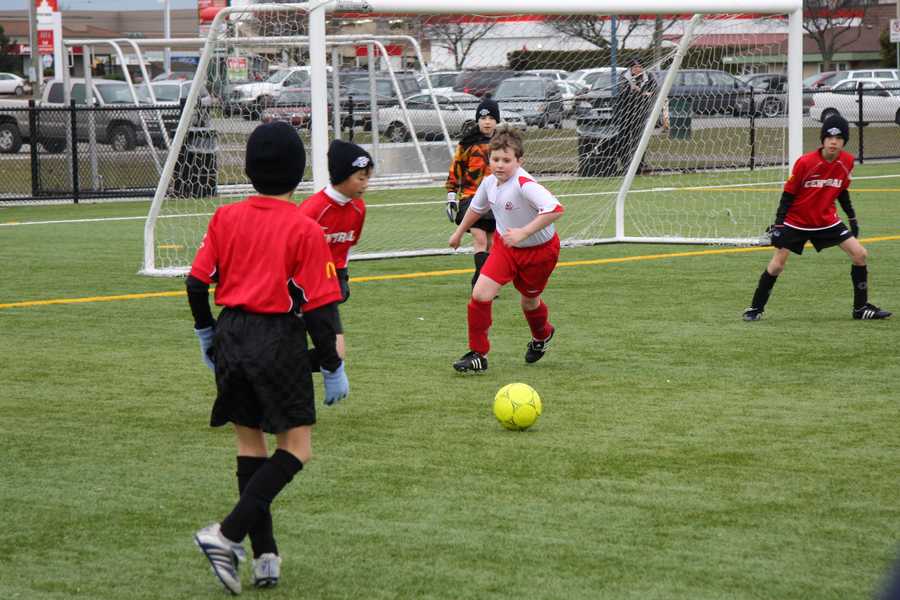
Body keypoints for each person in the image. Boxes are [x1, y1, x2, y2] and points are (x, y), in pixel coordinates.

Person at [186, 121, 348, 595]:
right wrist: (332, 366)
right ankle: (225, 535)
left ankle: (265, 557)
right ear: (299, 172)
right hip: (277, 339)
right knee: (296, 449)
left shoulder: (225, 217)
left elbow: (196, 284)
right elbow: (319, 310)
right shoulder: (305, 229)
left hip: (231, 333)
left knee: (250, 447)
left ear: (248, 169)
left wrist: (206, 333)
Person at [742, 114, 891, 321]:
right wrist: (779, 225)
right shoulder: (805, 162)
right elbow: (788, 195)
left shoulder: (847, 161)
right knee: (777, 265)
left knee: (860, 254)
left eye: (838, 138)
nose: (833, 142)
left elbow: (842, 191)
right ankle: (755, 308)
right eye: (829, 137)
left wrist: (852, 218)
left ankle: (861, 308)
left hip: (826, 221)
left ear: (844, 141)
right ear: (822, 139)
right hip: (796, 222)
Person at [449, 123, 565, 372]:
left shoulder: (524, 183)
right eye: (495, 159)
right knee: (480, 294)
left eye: (506, 160)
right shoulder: (489, 182)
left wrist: (524, 232)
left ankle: (542, 335)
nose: (500, 165)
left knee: (529, 302)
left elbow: (555, 209)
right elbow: (476, 208)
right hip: (506, 248)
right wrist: (459, 232)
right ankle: (478, 354)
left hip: (540, 252)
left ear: (519, 161)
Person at [299, 139, 372, 359]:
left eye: (368, 177)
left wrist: (342, 275)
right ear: (342, 176)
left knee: (336, 354)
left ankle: (292, 365)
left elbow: (346, 248)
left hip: (328, 287)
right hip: (300, 287)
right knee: (285, 346)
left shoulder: (359, 208)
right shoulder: (312, 210)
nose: (366, 184)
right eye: (361, 178)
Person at [445, 97, 500, 288]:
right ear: (477, 120)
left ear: (497, 121)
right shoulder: (467, 143)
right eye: (483, 118)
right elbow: (456, 170)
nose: (487, 122)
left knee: (492, 244)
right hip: (471, 197)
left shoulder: (502, 144)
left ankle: (481, 280)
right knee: (480, 238)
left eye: (491, 118)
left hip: (495, 200)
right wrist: (451, 196)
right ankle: (483, 285)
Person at [616, 59, 658, 173]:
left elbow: (654, 91)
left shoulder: (648, 76)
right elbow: (623, 92)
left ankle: (640, 164)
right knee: (624, 140)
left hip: (641, 113)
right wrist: (640, 92)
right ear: (630, 68)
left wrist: (640, 92)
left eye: (640, 67)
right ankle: (626, 165)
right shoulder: (624, 77)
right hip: (625, 113)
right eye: (635, 67)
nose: (638, 69)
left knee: (639, 139)